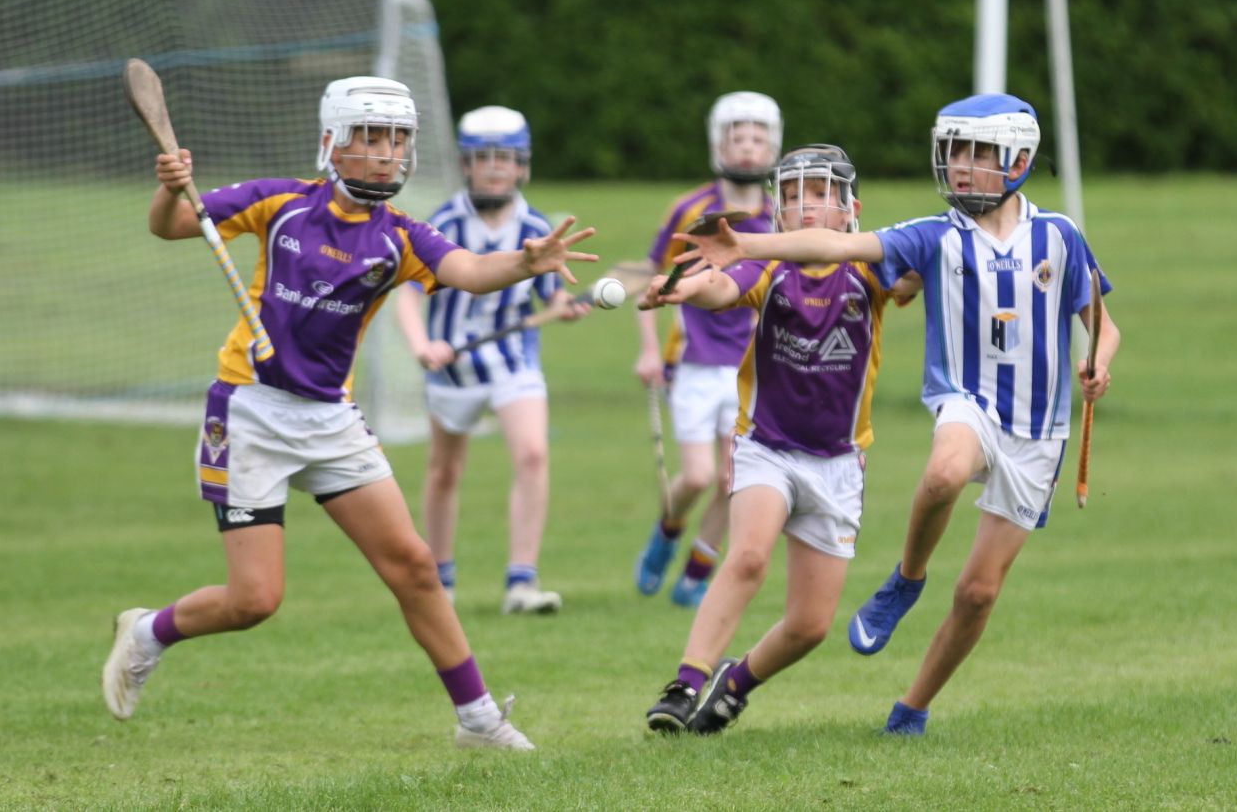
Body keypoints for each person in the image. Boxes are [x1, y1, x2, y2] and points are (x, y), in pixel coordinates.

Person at [100, 77, 597, 750]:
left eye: (398, 139)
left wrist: (525, 263)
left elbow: (472, 271)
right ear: (332, 141)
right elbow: (172, 224)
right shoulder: (278, 203)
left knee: (414, 565)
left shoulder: (399, 236)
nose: (387, 153)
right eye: (371, 136)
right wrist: (169, 184)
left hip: (329, 419)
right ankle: (147, 632)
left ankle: (478, 718)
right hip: (250, 411)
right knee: (255, 601)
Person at [672, 93, 1120, 736]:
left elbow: (1103, 326)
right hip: (966, 400)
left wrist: (1098, 362)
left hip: (1039, 431)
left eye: (977, 153)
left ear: (1019, 159)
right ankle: (906, 579)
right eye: (953, 151)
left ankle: (912, 706)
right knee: (943, 472)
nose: (961, 166)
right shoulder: (933, 234)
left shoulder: (1060, 237)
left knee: (978, 593)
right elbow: (833, 240)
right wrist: (742, 240)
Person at [643, 144, 896, 734]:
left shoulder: (871, 268)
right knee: (750, 556)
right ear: (776, 208)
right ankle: (685, 683)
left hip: (839, 463)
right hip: (766, 448)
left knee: (809, 626)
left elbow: (917, 272)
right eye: (791, 194)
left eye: (819, 194)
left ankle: (735, 684)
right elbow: (722, 288)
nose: (805, 206)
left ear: (848, 208)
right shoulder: (768, 266)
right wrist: (684, 289)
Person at [394, 105, 586, 615]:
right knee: (444, 472)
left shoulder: (535, 225)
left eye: (506, 158)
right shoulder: (443, 222)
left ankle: (521, 582)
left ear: (522, 166)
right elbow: (409, 295)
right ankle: (440, 580)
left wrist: (565, 308)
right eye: (484, 158)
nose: (495, 167)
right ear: (465, 164)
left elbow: (551, 298)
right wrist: (422, 346)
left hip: (512, 361)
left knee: (532, 454)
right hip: (452, 365)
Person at [632, 91, 782, 608]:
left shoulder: (779, 217)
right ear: (718, 142)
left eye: (757, 138)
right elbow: (650, 282)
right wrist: (649, 350)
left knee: (731, 475)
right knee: (697, 476)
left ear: (773, 146)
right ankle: (668, 529)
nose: (747, 148)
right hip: (693, 364)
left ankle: (698, 569)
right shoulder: (691, 209)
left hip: (748, 369)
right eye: (737, 137)